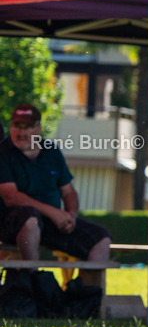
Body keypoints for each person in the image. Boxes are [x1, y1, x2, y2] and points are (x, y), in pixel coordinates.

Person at [0, 103, 111, 287]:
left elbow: (68, 191)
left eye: (26, 127)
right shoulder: (3, 153)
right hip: (14, 224)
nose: (21, 133)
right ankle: (32, 284)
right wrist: (54, 213)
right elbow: (11, 197)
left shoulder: (51, 151)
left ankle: (86, 297)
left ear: (38, 128)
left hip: (51, 225)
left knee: (101, 239)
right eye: (16, 126)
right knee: (30, 219)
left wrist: (70, 217)